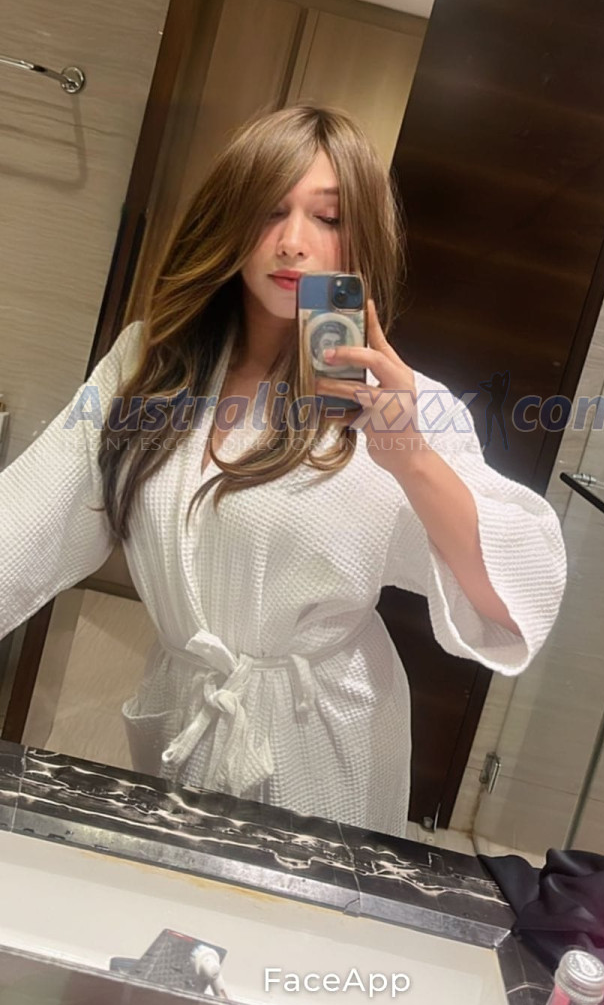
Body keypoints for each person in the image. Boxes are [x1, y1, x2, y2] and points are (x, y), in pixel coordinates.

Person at [0, 104, 567, 837]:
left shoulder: (400, 404)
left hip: (325, 744)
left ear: (361, 238)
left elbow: (515, 601)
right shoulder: (149, 367)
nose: (293, 242)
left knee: (295, 912)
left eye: (327, 218)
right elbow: (23, 523)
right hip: (188, 715)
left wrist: (411, 459)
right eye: (269, 210)